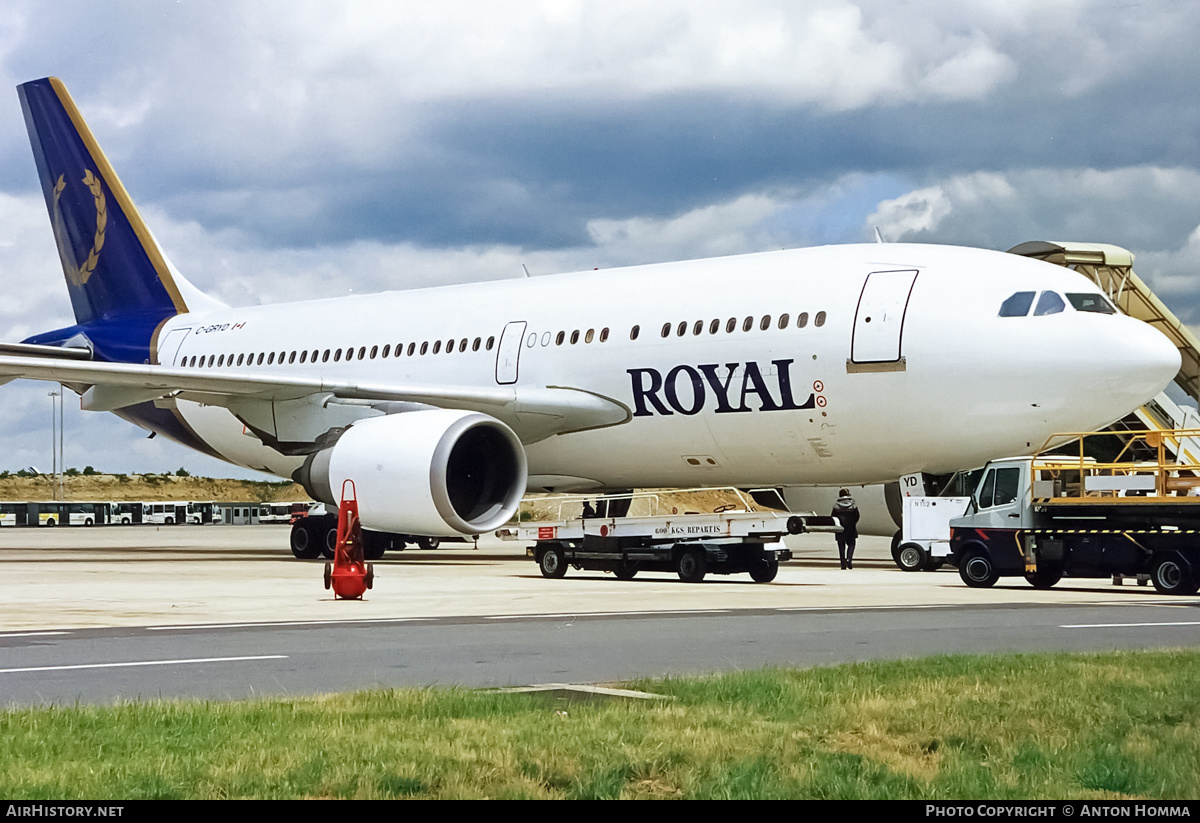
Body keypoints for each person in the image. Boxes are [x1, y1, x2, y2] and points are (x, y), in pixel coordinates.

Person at [831, 489, 860, 570]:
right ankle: (849, 559)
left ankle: (843, 563)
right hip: (851, 527)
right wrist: (853, 523)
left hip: (840, 527)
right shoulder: (853, 505)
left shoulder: (836, 506)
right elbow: (857, 516)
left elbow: (833, 517)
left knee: (841, 546)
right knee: (851, 544)